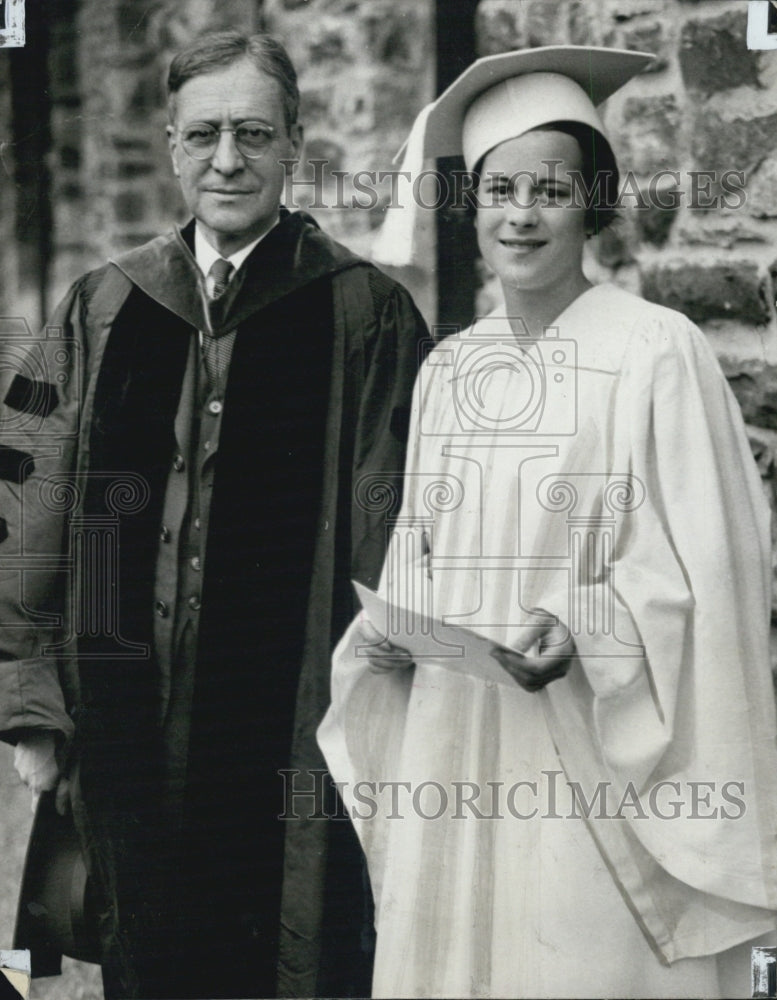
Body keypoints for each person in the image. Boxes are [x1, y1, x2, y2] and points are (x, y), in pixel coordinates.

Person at [318, 45, 777, 999]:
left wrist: (587, 624)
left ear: (593, 205)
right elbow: (424, 547)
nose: (521, 214)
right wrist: (395, 631)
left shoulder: (656, 352)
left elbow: (719, 566)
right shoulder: (450, 369)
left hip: (596, 758)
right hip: (458, 744)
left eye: (550, 190)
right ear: (472, 206)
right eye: (500, 189)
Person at [0, 29, 428, 1000]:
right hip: (127, 721)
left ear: (296, 143)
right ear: (169, 143)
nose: (226, 159)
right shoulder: (101, 306)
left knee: (293, 959)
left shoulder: (364, 316)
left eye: (252, 132)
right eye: (203, 135)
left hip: (293, 738)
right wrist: (31, 707)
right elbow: (28, 502)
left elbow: (399, 529)